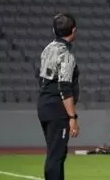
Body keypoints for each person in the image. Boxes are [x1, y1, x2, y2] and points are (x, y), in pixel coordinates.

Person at [37, 13, 80, 180]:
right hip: (57, 109)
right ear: (74, 30)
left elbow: (40, 77)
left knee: (54, 152)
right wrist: (72, 116)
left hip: (44, 105)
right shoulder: (66, 56)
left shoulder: (48, 49)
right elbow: (65, 87)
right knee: (57, 155)